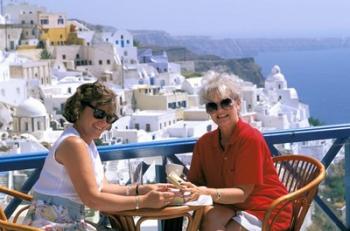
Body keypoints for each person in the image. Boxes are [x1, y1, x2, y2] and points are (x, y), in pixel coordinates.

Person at [23, 81, 174, 230]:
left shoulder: (86, 142)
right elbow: (92, 199)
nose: (103, 122)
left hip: (66, 222)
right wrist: (143, 201)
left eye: (109, 118)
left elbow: (103, 187)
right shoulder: (74, 144)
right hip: (51, 225)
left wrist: (141, 189)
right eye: (99, 114)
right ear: (80, 108)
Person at [184, 72, 292, 231]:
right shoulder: (204, 144)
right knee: (206, 219)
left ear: (238, 103)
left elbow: (242, 193)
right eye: (212, 106)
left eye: (225, 103)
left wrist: (206, 192)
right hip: (231, 205)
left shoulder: (250, 139)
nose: (219, 111)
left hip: (265, 209)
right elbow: (195, 182)